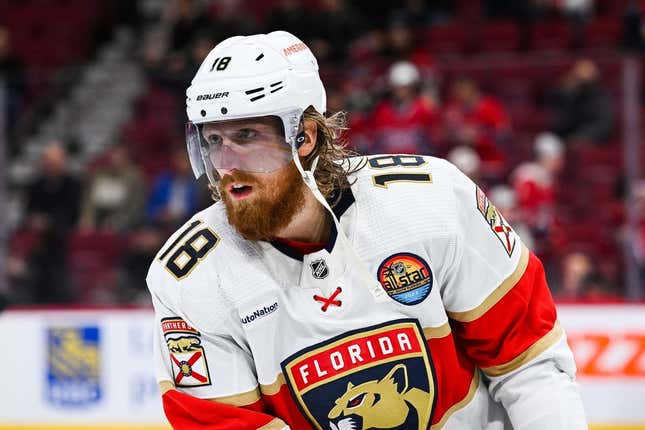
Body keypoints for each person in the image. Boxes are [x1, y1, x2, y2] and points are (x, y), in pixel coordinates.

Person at [147, 31, 587, 429]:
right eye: (213, 141)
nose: (225, 165)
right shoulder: (189, 278)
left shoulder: (431, 200)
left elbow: (529, 364)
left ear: (305, 136)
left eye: (246, 136)